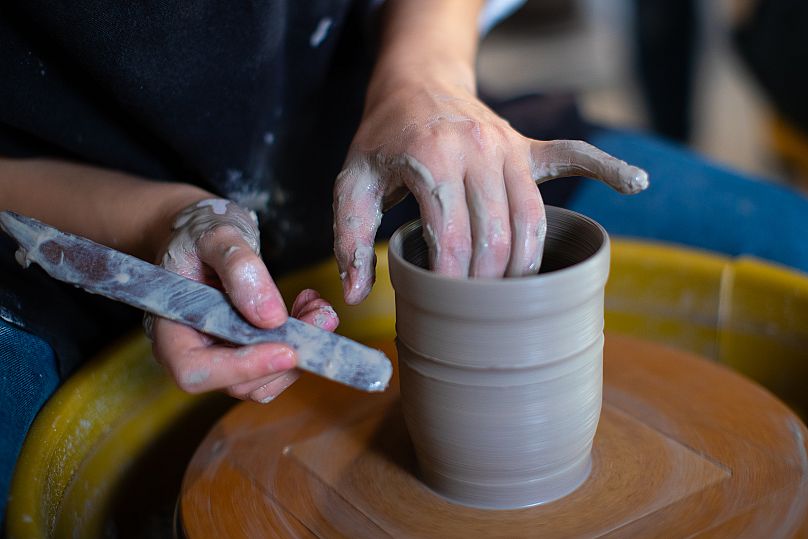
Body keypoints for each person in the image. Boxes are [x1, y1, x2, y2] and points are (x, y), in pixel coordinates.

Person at [0, 0, 649, 520]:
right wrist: (153, 219)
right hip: (77, 198)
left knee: (744, 224)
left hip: (396, 146)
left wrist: (423, 79)